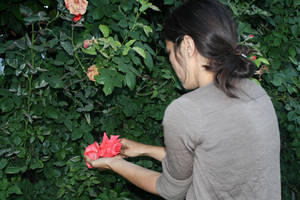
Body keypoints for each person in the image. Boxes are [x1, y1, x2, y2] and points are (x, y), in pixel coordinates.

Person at [85, 0, 281, 199]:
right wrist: (145, 150)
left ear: (187, 45)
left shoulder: (186, 110)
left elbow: (170, 190)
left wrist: (114, 163)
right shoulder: (256, 94)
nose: (171, 62)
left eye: (170, 52)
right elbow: (210, 163)